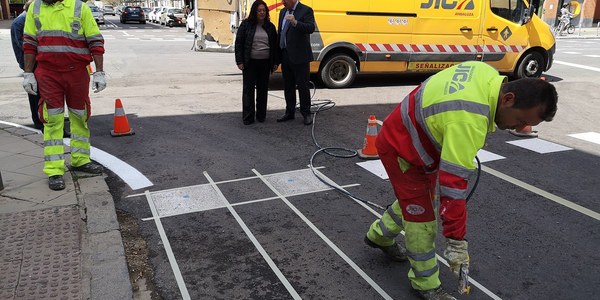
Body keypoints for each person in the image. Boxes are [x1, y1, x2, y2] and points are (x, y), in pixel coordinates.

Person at [364, 61, 557, 300]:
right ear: (507, 99)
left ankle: (378, 236)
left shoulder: (486, 73)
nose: (516, 128)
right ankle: (425, 285)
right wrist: (456, 240)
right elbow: (453, 187)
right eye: (519, 121)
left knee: (418, 200)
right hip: (403, 149)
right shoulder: (469, 121)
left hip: (415, 135)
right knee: (421, 218)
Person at [22, 0, 107, 191]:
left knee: (79, 117)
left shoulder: (79, 8)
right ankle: (54, 170)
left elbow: (95, 40)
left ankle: (80, 160)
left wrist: (99, 71)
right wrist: (28, 73)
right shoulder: (35, 8)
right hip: (48, 73)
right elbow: (29, 43)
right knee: (52, 121)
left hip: (76, 72)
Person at [235, 0, 279, 125]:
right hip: (250, 63)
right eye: (259, 10)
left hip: (265, 63)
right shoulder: (246, 25)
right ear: (254, 11)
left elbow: (275, 46)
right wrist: (240, 61)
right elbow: (239, 44)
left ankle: (261, 116)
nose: (262, 12)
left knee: (262, 90)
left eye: (264, 10)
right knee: (248, 90)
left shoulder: (270, 27)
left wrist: (275, 62)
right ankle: (248, 117)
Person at [276, 0, 315, 125]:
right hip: (286, 55)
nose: (282, 2)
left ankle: (306, 113)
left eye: (285, 0)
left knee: (303, 86)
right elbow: (280, 32)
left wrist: (295, 22)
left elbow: (310, 28)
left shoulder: (306, 10)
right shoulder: (282, 12)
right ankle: (289, 112)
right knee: (288, 86)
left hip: (300, 56)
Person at [11, 0, 43, 131]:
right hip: (30, 63)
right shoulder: (20, 22)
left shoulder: (23, 20)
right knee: (35, 93)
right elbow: (24, 46)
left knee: (41, 92)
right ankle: (38, 120)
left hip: (33, 62)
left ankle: (42, 116)